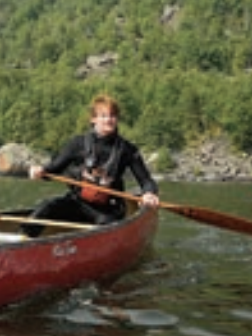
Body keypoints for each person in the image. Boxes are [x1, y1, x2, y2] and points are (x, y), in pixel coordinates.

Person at [23, 94, 160, 237]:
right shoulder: (77, 144)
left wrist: (149, 193)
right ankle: (24, 240)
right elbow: (53, 169)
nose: (108, 119)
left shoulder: (127, 150)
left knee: (105, 225)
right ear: (93, 119)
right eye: (103, 116)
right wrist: (40, 171)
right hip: (77, 202)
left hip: (107, 209)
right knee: (45, 208)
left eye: (112, 115)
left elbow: (146, 181)